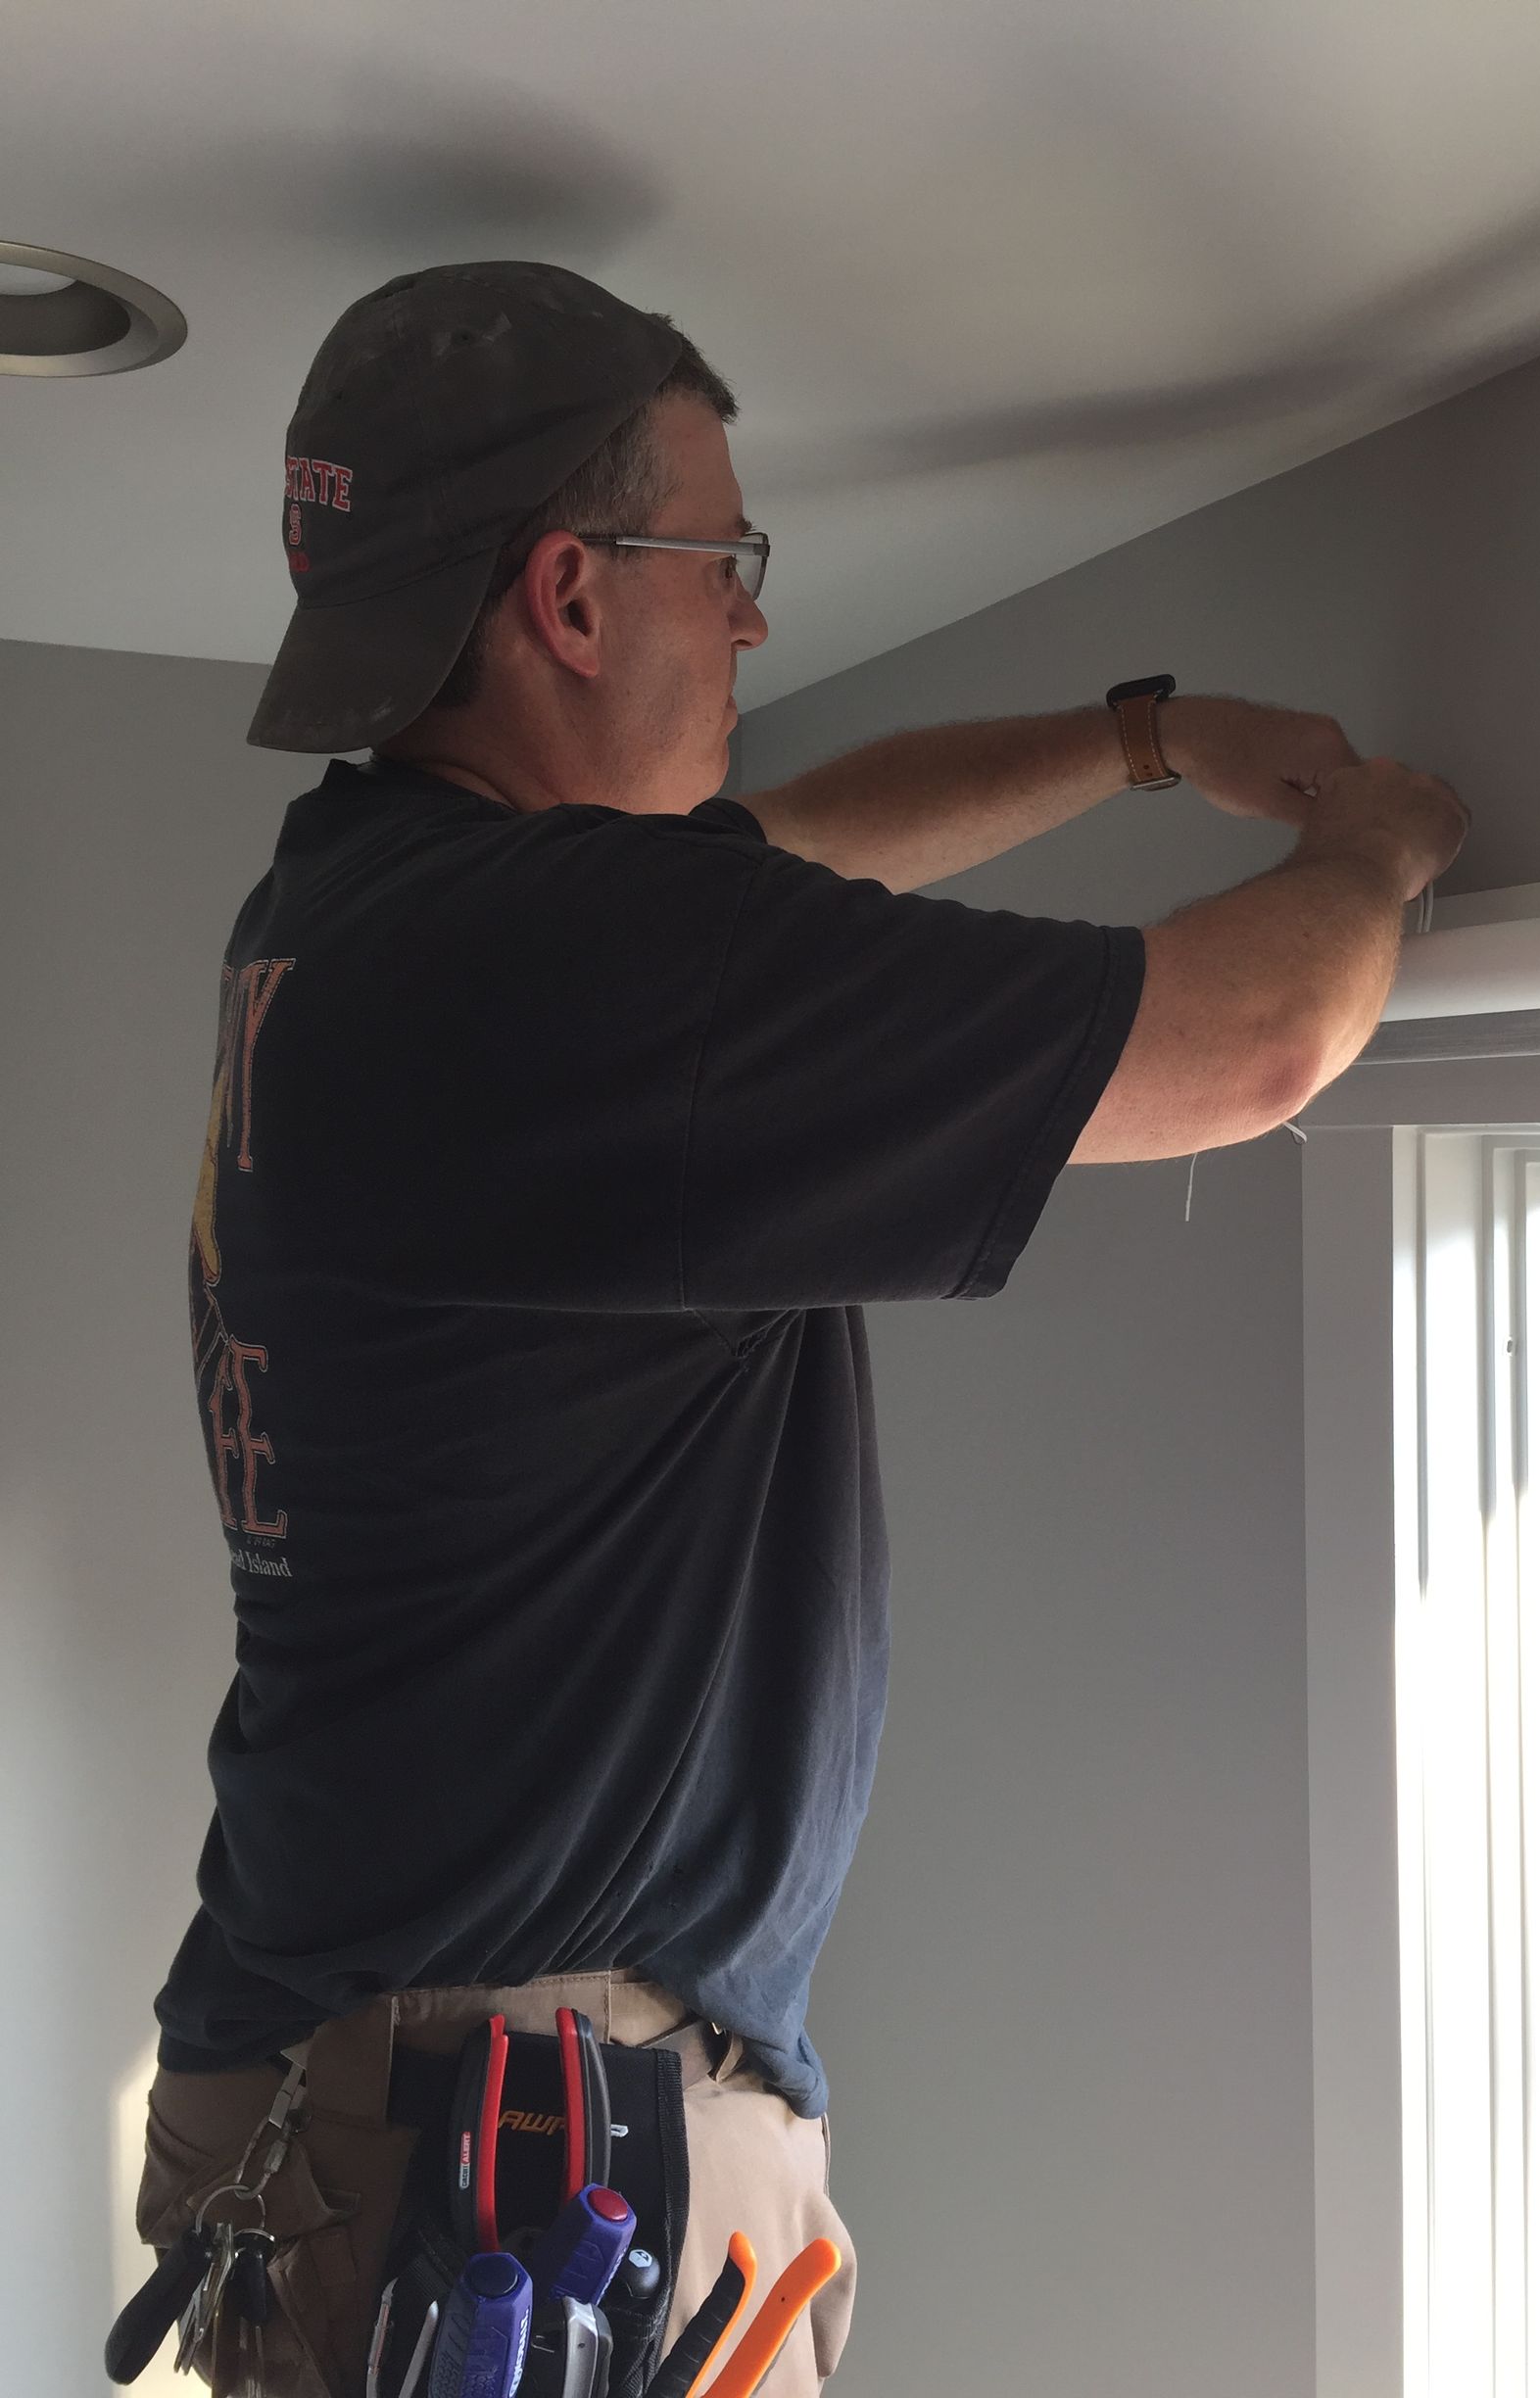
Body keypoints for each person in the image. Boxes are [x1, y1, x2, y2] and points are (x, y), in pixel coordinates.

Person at [124, 260, 1467, 2398]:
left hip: (388, 2084)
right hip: (500, 2154)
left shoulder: (367, 903)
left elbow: (798, 845)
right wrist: (1379, 854)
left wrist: (1142, 739)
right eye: (723, 562)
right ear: (573, 595)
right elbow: (1259, 1040)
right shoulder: (569, 977)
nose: (750, 624)